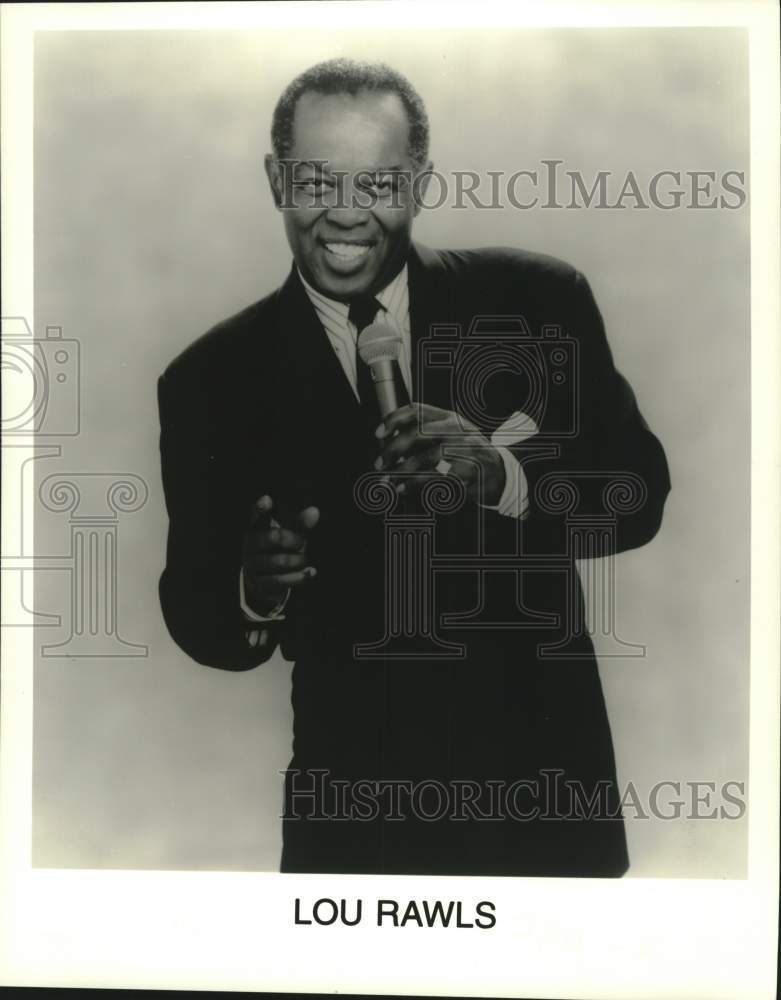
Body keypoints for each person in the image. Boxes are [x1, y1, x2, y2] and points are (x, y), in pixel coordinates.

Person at [157, 58, 670, 877]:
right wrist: (253, 585)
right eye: (317, 180)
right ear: (275, 180)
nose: (347, 215)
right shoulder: (209, 378)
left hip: (544, 793)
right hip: (355, 819)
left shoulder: (537, 300)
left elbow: (639, 496)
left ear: (419, 182)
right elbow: (198, 615)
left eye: (379, 182)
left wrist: (504, 478)